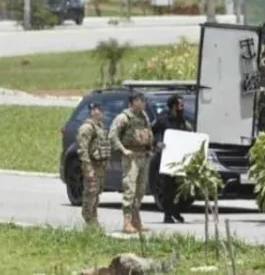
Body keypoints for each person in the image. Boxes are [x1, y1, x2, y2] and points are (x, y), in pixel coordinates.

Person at [110, 93, 154, 233]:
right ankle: (127, 222)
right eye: (141, 101)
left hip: (143, 156)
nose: (144, 103)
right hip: (131, 157)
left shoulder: (144, 116)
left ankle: (136, 220)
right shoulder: (123, 118)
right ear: (134, 101)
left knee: (140, 190)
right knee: (130, 188)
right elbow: (112, 135)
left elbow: (147, 133)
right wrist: (123, 150)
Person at [152, 94, 194, 224]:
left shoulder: (183, 121)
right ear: (174, 106)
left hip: (179, 158)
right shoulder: (163, 120)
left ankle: (176, 211)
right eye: (180, 104)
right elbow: (150, 132)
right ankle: (167, 214)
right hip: (166, 158)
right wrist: (156, 143)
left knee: (178, 187)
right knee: (167, 188)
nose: (182, 107)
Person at [76, 102, 111, 228]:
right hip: (92, 166)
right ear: (91, 112)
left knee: (96, 194)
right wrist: (88, 168)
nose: (100, 112)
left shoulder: (100, 127)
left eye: (101, 110)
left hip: (100, 167)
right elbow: (82, 149)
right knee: (90, 194)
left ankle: (94, 220)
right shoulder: (87, 128)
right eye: (96, 110)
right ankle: (88, 218)